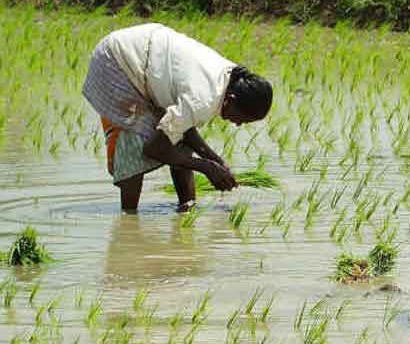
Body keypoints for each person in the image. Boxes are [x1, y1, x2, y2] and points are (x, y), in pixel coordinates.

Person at [82, 23, 273, 213]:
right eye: (242, 119)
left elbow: (182, 128)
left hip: (146, 52)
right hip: (117, 60)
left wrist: (217, 162)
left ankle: (186, 209)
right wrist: (206, 167)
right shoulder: (203, 98)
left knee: (176, 136)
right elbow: (154, 148)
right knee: (135, 138)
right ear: (230, 100)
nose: (237, 124)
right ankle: (129, 219)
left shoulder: (229, 78)